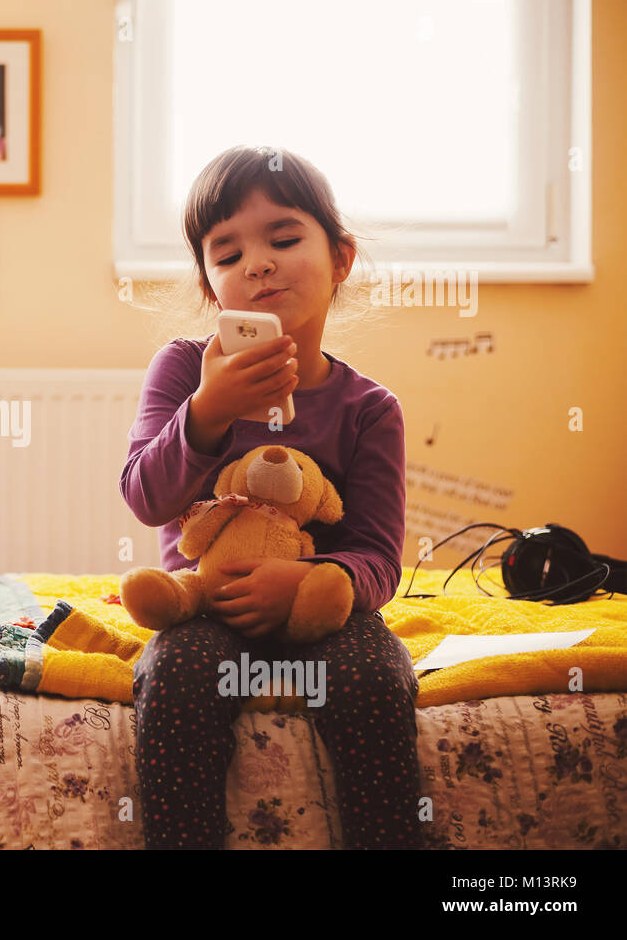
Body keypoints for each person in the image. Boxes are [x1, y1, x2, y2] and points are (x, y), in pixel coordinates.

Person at [121, 145, 423, 849]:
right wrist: (206, 412)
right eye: (227, 254)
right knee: (171, 679)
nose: (256, 263)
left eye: (284, 238)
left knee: (378, 682)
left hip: (322, 615)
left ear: (340, 258)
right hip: (207, 604)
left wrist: (317, 578)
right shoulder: (180, 370)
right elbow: (145, 495)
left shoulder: (370, 409)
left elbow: (379, 555)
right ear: (209, 286)